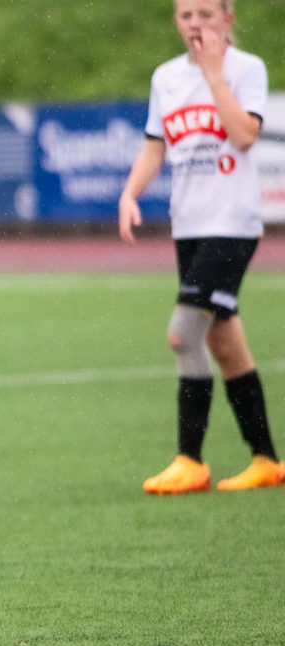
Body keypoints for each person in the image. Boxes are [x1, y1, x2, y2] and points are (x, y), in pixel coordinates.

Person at [118, 0, 285, 495]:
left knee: (182, 333)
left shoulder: (245, 68)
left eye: (206, 14)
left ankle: (190, 460)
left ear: (228, 19)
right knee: (225, 343)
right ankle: (266, 461)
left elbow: (245, 135)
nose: (196, 24)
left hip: (232, 225)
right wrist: (130, 194)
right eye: (186, 15)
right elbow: (155, 145)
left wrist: (215, 75)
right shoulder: (166, 76)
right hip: (188, 225)